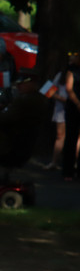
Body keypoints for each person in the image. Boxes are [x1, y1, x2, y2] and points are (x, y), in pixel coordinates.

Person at [61, 51, 80, 181]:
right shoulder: (71, 71)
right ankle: (68, 170)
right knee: (70, 138)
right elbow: (68, 88)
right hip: (72, 107)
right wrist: (77, 103)